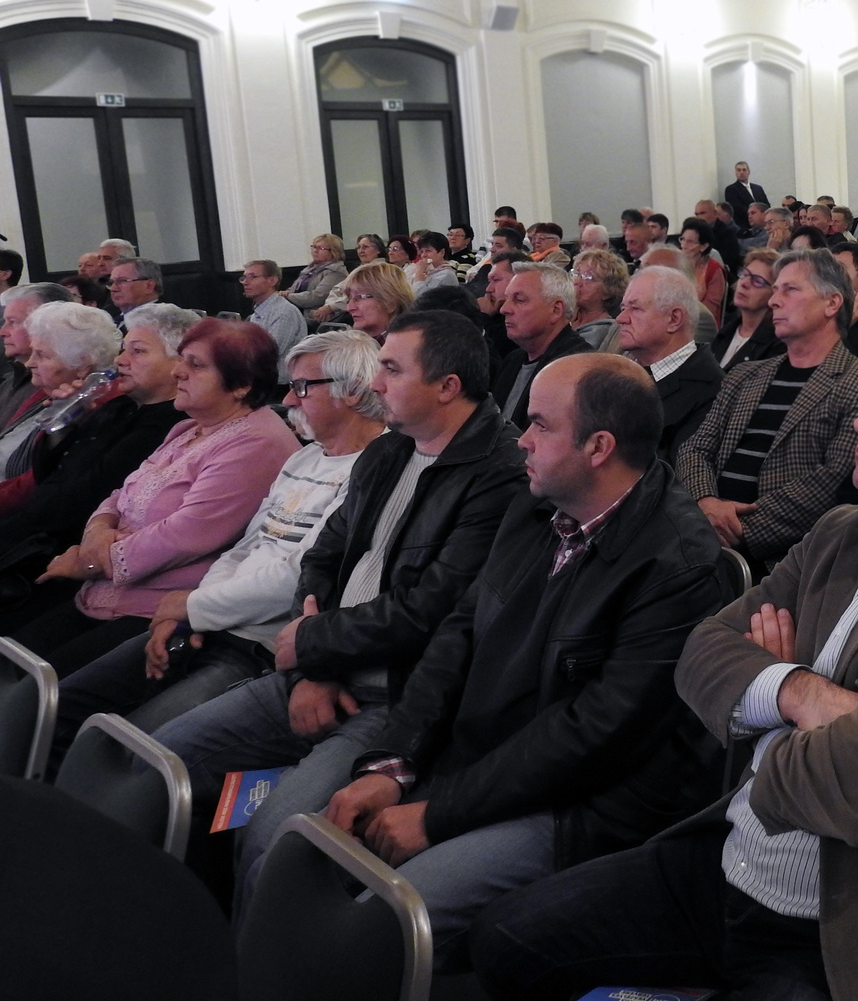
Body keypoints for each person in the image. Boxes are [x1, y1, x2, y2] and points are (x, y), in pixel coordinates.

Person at [470, 342, 858, 1001]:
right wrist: (797, 689)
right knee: (504, 939)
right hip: (731, 860)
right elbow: (702, 653)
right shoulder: (841, 533)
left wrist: (762, 722)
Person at [306, 354, 726, 969]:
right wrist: (394, 765)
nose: (521, 439)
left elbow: (593, 736)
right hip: (479, 766)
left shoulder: (680, 565)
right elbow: (457, 638)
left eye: (540, 425)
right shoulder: (539, 506)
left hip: (576, 806)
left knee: (374, 931)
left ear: (599, 447)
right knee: (308, 866)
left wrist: (438, 815)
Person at [151, 310, 529, 903]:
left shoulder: (500, 474)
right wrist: (315, 666)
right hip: (321, 666)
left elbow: (430, 612)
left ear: (447, 386)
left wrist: (312, 644)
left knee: (277, 844)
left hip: (396, 695)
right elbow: (321, 558)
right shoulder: (388, 451)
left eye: (392, 369)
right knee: (157, 761)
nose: (375, 384)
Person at [47, 332, 387, 765]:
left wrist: (192, 606)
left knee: (134, 754)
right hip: (211, 621)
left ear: (353, 392)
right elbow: (246, 546)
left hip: (259, 644)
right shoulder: (306, 458)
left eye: (302, 387)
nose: (289, 400)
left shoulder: (374, 469)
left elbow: (299, 576)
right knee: (62, 703)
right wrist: (192, 613)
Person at [0, 320, 297, 676]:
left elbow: (185, 535)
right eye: (181, 360)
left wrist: (92, 561)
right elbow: (118, 493)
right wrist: (99, 531)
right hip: (101, 587)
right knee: (14, 657)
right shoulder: (188, 428)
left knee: (31, 682)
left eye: (195, 365)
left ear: (242, 385)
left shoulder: (257, 442)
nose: (178, 372)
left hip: (156, 609)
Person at [675, 249, 858, 565]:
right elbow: (695, 449)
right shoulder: (745, 375)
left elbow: (830, 483)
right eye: (775, 289)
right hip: (698, 538)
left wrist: (736, 532)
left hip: (779, 561)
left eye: (790, 290)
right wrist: (706, 503)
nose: (773, 301)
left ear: (832, 303)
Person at [0, 304, 192, 592]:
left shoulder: (168, 425)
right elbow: (46, 473)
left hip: (59, 549)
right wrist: (62, 424)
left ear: (179, 362)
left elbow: (86, 494)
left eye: (138, 351)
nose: (121, 360)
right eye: (124, 349)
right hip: (32, 531)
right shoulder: (120, 406)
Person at [0, 302, 122, 486]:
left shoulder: (91, 409)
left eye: (41, 355)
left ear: (82, 365)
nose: (29, 363)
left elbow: (32, 487)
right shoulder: (46, 392)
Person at [618, 267, 724, 458]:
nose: (621, 318)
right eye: (623, 308)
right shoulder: (621, 373)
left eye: (635, 308)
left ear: (674, 319)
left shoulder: (712, 394)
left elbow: (678, 471)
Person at [494, 264, 593, 430]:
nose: (504, 309)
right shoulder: (513, 360)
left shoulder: (577, 370)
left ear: (556, 310)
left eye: (519, 300)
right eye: (506, 299)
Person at [0, 283, 75, 432]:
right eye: (5, 322)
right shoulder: (8, 383)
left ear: (48, 324)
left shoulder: (58, 386)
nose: (2, 332)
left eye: (13, 322)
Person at [713, 248, 786, 372]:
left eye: (757, 281)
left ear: (775, 293)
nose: (744, 283)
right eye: (745, 274)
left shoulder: (778, 345)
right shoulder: (725, 332)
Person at [240, 260, 306, 386]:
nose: (245, 282)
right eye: (244, 278)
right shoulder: (258, 312)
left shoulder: (284, 312)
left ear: (272, 281)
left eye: (252, 277)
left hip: (279, 385)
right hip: (262, 380)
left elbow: (270, 353)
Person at [567, 248, 628, 353]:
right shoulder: (567, 316)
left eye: (588, 277)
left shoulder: (601, 330)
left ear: (608, 291)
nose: (577, 282)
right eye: (577, 273)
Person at [340, 261, 416, 343]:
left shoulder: (410, 346)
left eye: (359, 297)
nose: (349, 308)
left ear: (390, 303)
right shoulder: (352, 344)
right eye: (349, 299)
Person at [679, 216, 729, 329]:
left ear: (704, 246)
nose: (684, 245)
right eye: (682, 239)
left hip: (703, 324)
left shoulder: (714, 270)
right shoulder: (676, 265)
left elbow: (710, 309)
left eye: (690, 242)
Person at [284, 235, 347, 313]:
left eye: (321, 248)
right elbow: (295, 289)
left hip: (316, 315)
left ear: (334, 252)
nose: (315, 251)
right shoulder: (310, 269)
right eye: (314, 247)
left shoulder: (336, 271)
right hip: (298, 310)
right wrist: (284, 293)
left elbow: (317, 297)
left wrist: (288, 297)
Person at [109, 257, 164, 323]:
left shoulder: (162, 319)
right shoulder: (109, 316)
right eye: (111, 282)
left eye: (122, 281)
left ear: (149, 286)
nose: (113, 288)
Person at [725, 160, 770, 225]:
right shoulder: (731, 189)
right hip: (744, 225)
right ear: (735, 173)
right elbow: (738, 209)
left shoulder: (758, 188)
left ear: (749, 172)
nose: (741, 172)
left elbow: (766, 205)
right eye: (739, 170)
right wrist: (756, 217)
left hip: (763, 224)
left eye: (744, 170)